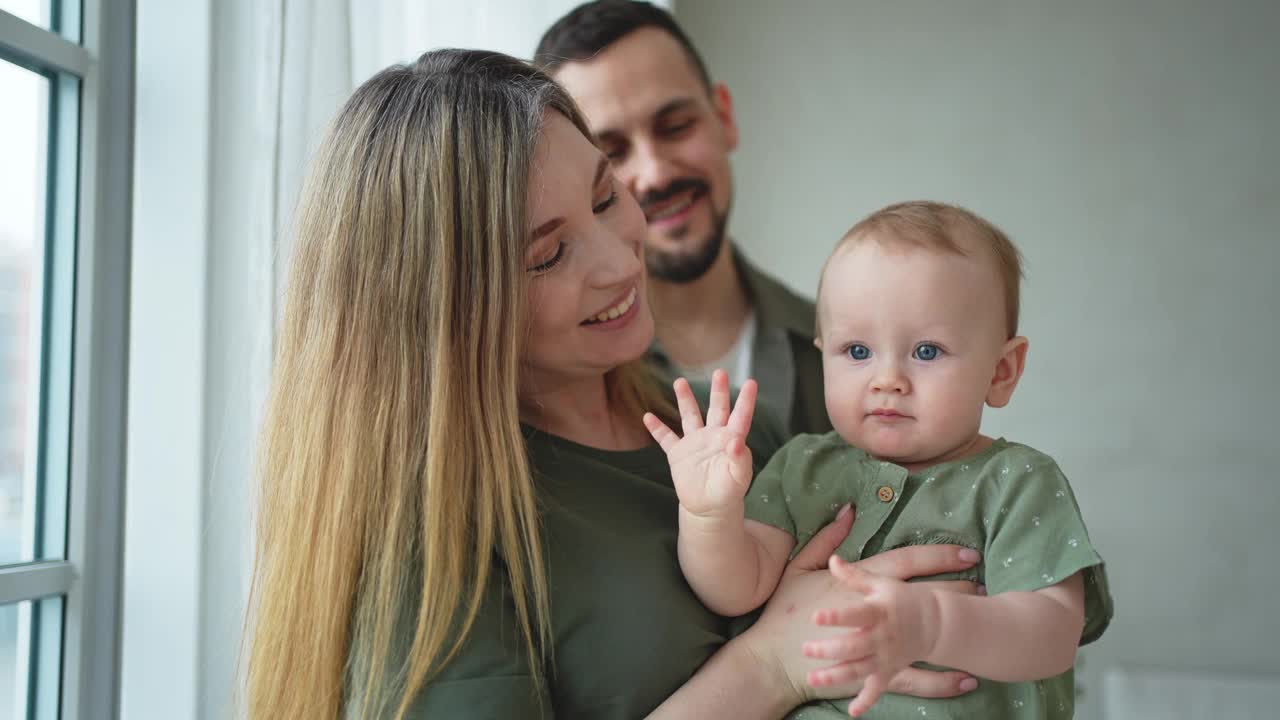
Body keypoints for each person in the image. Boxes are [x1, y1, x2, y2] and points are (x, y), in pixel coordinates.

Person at [242, 50, 986, 719]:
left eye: (603, 198)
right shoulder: (430, 538)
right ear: (442, 310)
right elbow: (787, 651)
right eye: (547, 255)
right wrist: (769, 664)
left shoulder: (711, 430)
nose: (620, 263)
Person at [644, 201, 1113, 718]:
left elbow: (1052, 635)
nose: (887, 379)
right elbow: (735, 590)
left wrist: (933, 624)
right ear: (823, 353)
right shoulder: (803, 469)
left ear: (1001, 371)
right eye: (858, 352)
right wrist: (709, 515)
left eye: (927, 351)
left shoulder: (1016, 483)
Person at [535, 0, 833, 436]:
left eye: (675, 126)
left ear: (724, 117)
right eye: (612, 153)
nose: (655, 174)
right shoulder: (564, 391)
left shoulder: (843, 353)